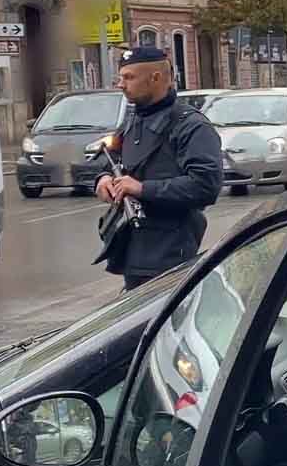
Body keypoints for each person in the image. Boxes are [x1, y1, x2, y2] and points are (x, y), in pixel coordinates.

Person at [95, 46, 223, 290]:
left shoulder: (191, 126)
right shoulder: (134, 119)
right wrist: (103, 179)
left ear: (155, 78)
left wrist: (143, 189)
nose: (121, 84)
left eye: (129, 77)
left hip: (171, 253)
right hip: (135, 247)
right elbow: (110, 155)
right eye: (120, 77)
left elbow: (206, 186)